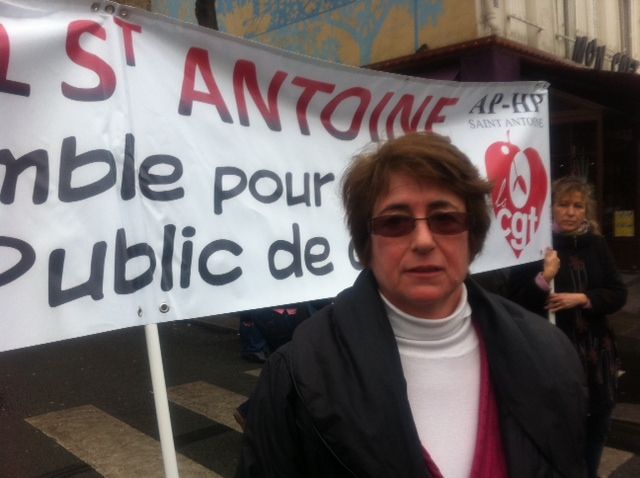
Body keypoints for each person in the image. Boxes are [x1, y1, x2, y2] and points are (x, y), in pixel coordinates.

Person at [236, 132, 587, 477]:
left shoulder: (549, 352)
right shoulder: (296, 374)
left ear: (473, 234)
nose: (422, 240)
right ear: (366, 243)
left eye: (445, 218)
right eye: (395, 222)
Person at [509, 176, 627, 478]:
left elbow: (617, 293)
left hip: (595, 351)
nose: (571, 212)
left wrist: (583, 298)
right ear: (551, 208)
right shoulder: (535, 245)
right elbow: (515, 301)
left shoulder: (596, 245)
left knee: (598, 419)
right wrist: (543, 278)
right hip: (554, 350)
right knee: (563, 422)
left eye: (578, 205)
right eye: (564, 204)